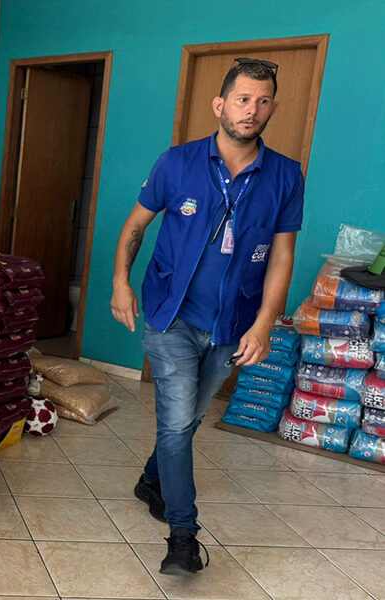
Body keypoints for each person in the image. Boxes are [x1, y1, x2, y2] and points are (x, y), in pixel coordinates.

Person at [111, 58, 303, 574]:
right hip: (170, 317)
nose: (252, 110)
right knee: (177, 421)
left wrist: (264, 323)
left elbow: (282, 257)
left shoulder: (285, 175)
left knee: (188, 419)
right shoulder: (176, 163)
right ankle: (182, 535)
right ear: (220, 104)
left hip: (232, 326)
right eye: (243, 99)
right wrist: (120, 282)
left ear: (273, 108)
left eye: (263, 101)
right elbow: (135, 227)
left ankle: (151, 478)